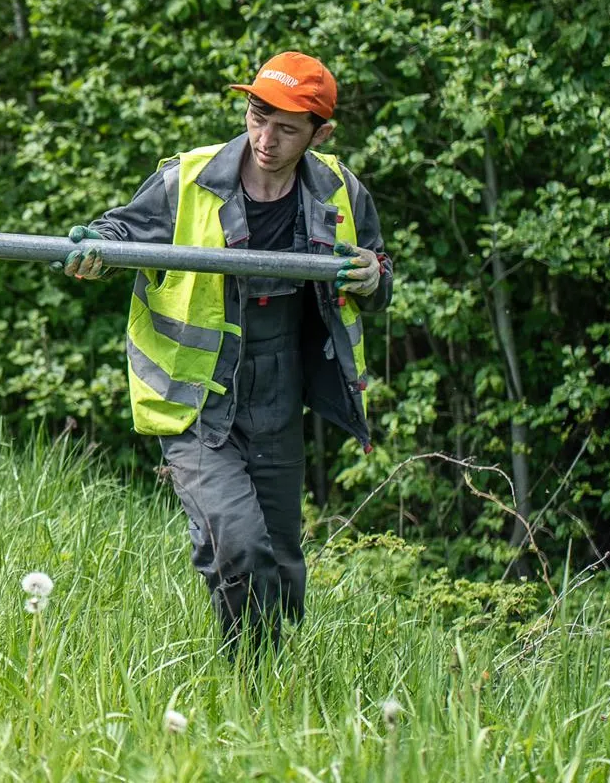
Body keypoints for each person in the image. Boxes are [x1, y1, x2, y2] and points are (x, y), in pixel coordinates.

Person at [61, 52, 392, 651]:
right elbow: (119, 233)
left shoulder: (339, 191)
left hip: (279, 395)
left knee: (283, 566)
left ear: (320, 134)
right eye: (256, 115)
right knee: (237, 544)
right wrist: (95, 248)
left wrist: (373, 275)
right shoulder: (185, 181)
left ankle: (271, 685)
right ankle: (247, 672)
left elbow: (375, 271)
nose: (264, 137)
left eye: (286, 128)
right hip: (196, 397)